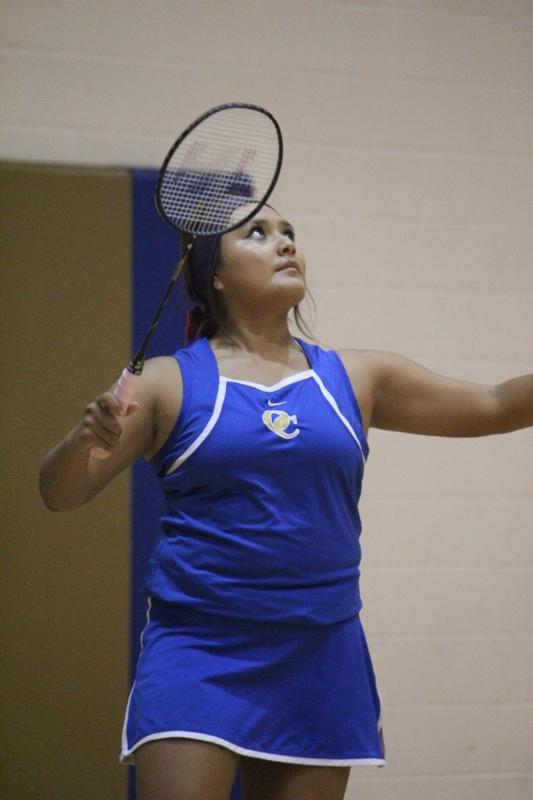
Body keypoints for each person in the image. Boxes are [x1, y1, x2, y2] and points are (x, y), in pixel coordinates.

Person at [39, 203, 533, 800]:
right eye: (258, 234)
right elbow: (61, 493)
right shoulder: (168, 381)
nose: (285, 244)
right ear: (214, 276)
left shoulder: (356, 377)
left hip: (320, 656)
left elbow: (496, 406)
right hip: (201, 653)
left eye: (290, 233)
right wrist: (82, 439)